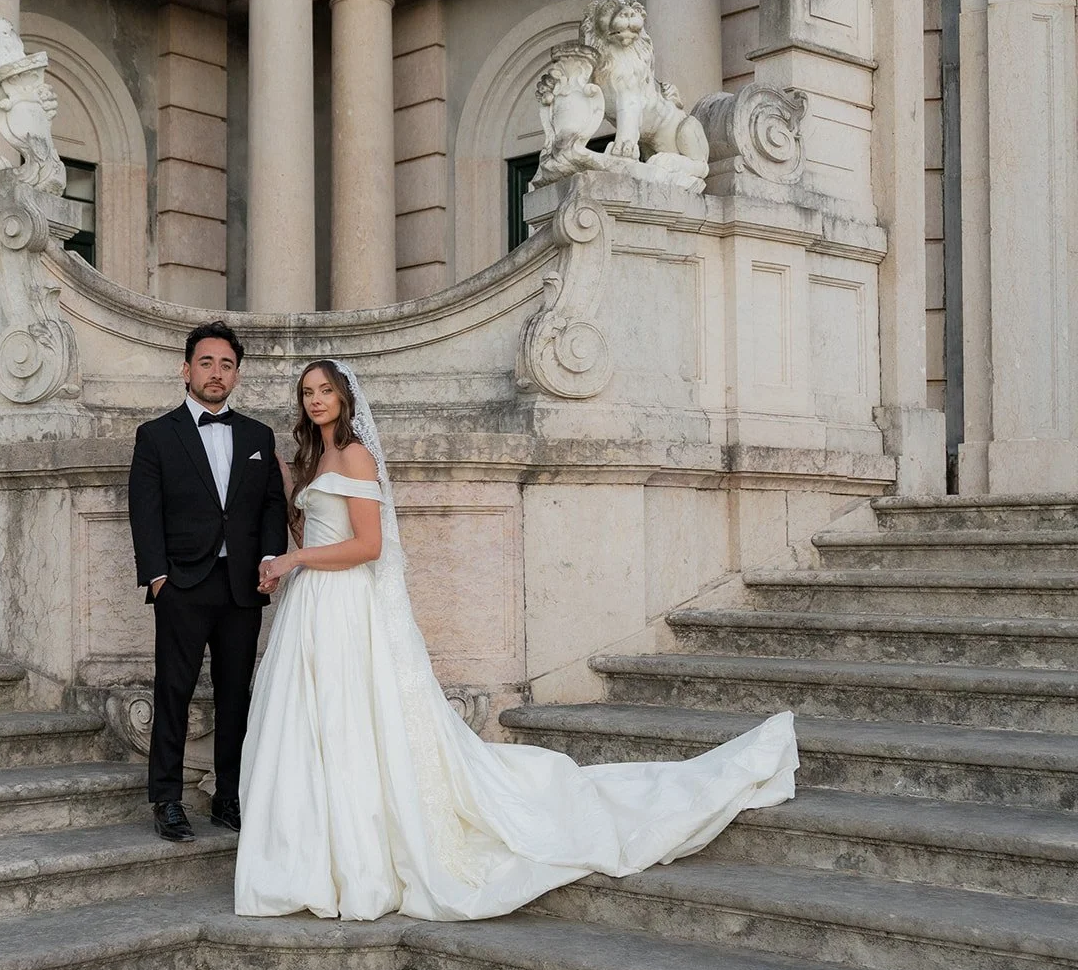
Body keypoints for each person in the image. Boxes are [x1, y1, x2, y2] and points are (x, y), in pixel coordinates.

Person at [235, 359, 799, 921]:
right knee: (318, 724)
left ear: (343, 397)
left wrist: (296, 558)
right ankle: (317, 855)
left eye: (324, 390)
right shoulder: (312, 459)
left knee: (350, 721)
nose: (315, 400)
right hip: (310, 605)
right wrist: (289, 520)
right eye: (307, 392)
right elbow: (316, 533)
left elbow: (369, 546)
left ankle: (359, 858)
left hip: (346, 603)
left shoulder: (356, 453)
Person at [127, 321, 289, 843]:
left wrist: (270, 559)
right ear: (186, 369)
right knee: (173, 691)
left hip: (242, 586)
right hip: (182, 584)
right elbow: (143, 513)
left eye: (226, 365)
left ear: (237, 375)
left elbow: (270, 506)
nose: (216, 373)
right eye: (206, 362)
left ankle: (228, 796)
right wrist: (157, 580)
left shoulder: (258, 437)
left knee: (234, 695)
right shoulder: (156, 435)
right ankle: (167, 799)